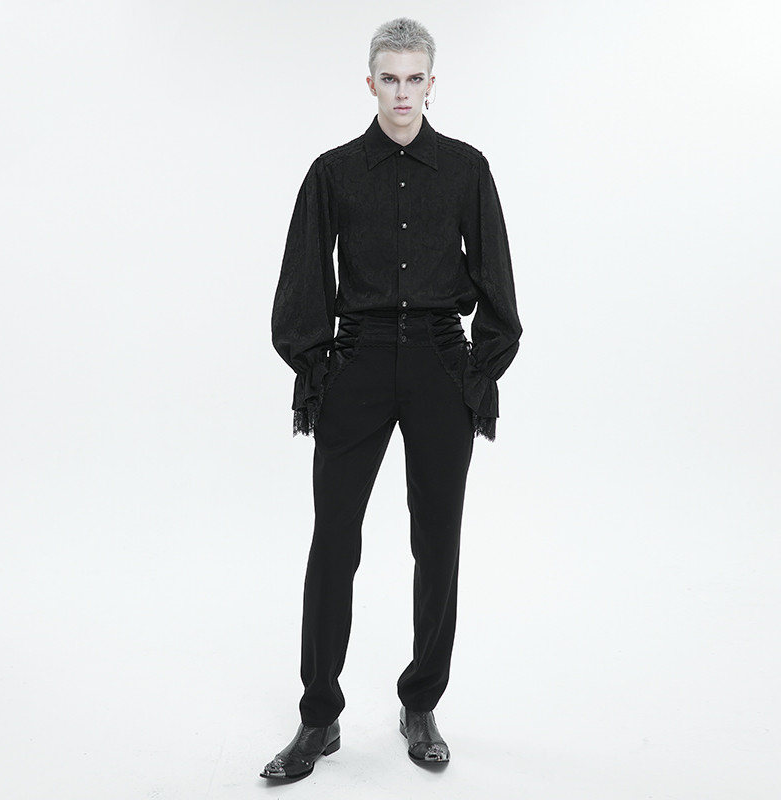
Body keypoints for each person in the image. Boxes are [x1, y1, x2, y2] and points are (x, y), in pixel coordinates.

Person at [261, 17, 522, 781]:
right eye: (389, 78)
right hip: (360, 361)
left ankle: (421, 704)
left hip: (441, 360)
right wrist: (318, 365)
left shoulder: (466, 169)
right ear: (370, 82)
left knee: (437, 543)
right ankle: (319, 718)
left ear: (431, 84)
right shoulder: (334, 172)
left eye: (414, 79)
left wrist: (478, 370)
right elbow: (302, 278)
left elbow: (498, 281)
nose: (402, 93)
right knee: (334, 542)